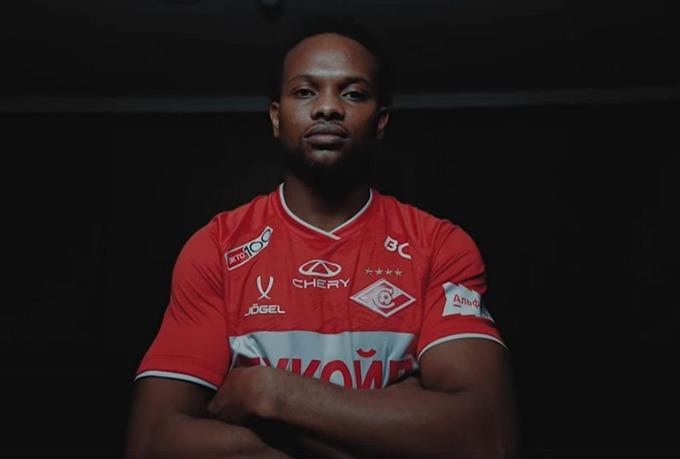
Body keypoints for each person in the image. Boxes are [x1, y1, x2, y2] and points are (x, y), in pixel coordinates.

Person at [125, 19, 517, 459]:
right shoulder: (218, 247)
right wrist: (385, 426)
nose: (328, 107)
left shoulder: (439, 246)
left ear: (381, 121)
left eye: (353, 94)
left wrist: (270, 394)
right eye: (305, 91)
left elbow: (485, 440)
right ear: (276, 117)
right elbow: (152, 443)